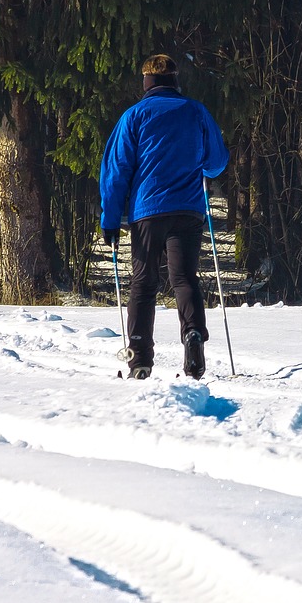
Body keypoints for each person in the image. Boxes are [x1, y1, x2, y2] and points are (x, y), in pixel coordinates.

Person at [99, 53, 229, 380]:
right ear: (175, 80)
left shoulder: (134, 116)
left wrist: (110, 220)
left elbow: (117, 172)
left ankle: (140, 358)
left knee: (144, 284)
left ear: (146, 82)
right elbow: (217, 161)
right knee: (184, 278)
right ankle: (193, 335)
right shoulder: (195, 111)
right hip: (187, 210)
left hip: (147, 212)